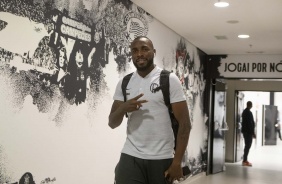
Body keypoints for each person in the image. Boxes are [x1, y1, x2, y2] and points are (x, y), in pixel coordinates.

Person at [108, 36, 191, 184]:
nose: (139, 54)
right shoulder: (124, 83)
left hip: (162, 157)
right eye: (135, 50)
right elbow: (112, 123)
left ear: (154, 51)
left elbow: (185, 124)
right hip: (131, 155)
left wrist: (177, 162)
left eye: (144, 49)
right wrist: (123, 108)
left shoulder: (169, 80)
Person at [241, 101, 256, 167]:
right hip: (248, 132)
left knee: (247, 145)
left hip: (246, 131)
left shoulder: (245, 112)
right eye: (251, 104)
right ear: (249, 105)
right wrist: (252, 132)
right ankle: (244, 160)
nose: (252, 105)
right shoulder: (248, 113)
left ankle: (245, 160)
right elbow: (250, 123)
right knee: (248, 145)